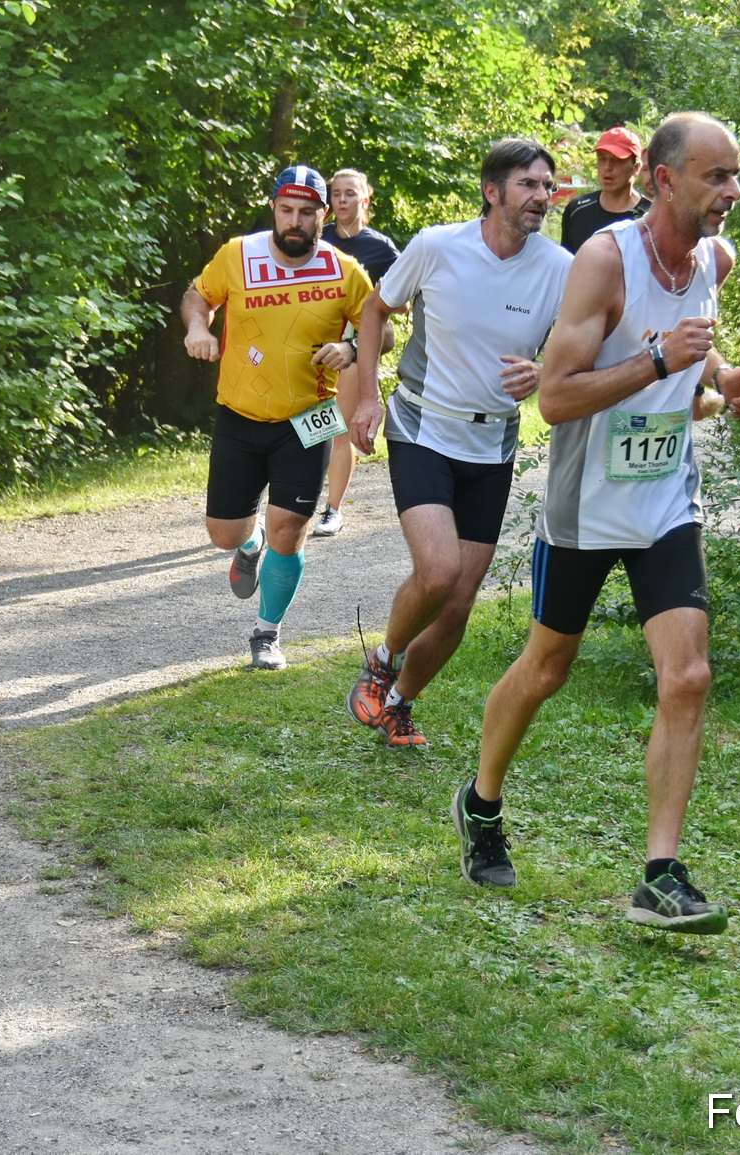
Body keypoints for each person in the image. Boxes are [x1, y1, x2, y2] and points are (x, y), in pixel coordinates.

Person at [462, 112, 740, 933]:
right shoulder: (605, 260)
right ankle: (481, 800)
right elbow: (556, 398)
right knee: (547, 666)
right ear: (665, 180)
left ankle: (660, 874)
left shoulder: (714, 258)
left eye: (735, 175)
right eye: (716, 177)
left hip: (666, 497)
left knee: (689, 674)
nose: (732, 192)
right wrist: (656, 363)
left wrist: (726, 377)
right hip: (587, 503)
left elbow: (696, 345)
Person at [346, 138, 573, 746]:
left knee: (456, 606)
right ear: (491, 190)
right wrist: (367, 396)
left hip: (493, 443)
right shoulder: (437, 246)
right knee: (440, 570)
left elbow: (588, 343)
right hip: (422, 427)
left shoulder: (560, 267)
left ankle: (399, 704)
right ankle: (383, 660)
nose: (542, 198)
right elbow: (375, 311)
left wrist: (546, 372)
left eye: (547, 187)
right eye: (529, 185)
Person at [182, 165, 376, 670]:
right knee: (224, 533)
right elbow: (196, 296)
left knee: (292, 528)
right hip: (240, 415)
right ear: (273, 208)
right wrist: (198, 328)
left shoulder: (344, 269)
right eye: (287, 210)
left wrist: (350, 347)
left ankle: (266, 634)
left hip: (308, 419)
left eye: (307, 212)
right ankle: (250, 544)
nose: (295, 220)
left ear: (323, 215)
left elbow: (380, 330)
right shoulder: (237, 255)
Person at [314, 168, 401, 538]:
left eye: (351, 193)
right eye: (336, 194)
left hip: (354, 342)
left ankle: (332, 510)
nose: (343, 200)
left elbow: (402, 303)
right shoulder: (317, 240)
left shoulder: (379, 248)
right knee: (303, 426)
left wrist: (374, 305)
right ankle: (297, 501)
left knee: (337, 426)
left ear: (365, 200)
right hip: (310, 339)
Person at [559, 126, 650, 256]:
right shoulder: (577, 211)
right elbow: (566, 268)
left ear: (636, 167)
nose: (608, 167)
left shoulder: (650, 216)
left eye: (617, 160)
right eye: (602, 159)